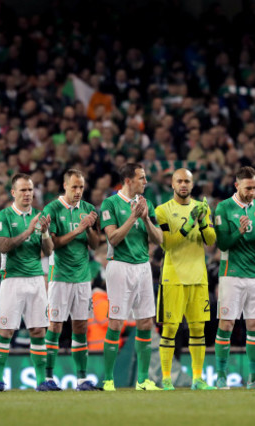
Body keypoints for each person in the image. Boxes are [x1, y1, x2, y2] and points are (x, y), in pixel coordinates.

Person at [100, 163, 163, 391]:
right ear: (128, 180)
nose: (145, 182)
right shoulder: (110, 203)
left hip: (143, 266)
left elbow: (159, 239)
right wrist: (133, 218)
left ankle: (143, 380)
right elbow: (113, 238)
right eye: (141, 178)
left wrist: (145, 218)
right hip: (120, 266)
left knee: (146, 322)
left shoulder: (147, 204)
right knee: (116, 323)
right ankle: (108, 379)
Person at [213, 166, 255, 390]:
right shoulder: (224, 208)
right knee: (227, 323)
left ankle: (254, 379)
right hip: (231, 274)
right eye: (248, 187)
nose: (252, 192)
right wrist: (238, 232)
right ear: (236, 185)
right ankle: (221, 376)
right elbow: (222, 244)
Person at [155, 168, 216, 391]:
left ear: (192, 184)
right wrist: (189, 224)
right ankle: (166, 378)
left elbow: (211, 239)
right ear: (172, 184)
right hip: (174, 277)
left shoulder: (202, 208)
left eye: (187, 181)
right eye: (179, 181)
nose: (183, 185)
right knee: (170, 329)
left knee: (198, 328)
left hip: (198, 276)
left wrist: (201, 220)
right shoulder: (162, 210)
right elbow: (167, 244)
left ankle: (197, 379)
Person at [0, 173, 53, 391]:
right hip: (12, 279)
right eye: (23, 190)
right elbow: (3, 246)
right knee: (6, 330)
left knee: (38, 331)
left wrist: (44, 233)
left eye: (30, 190)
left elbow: (48, 251)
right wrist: (28, 231)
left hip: (36, 278)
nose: (28, 194)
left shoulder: (39, 215)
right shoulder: (5, 216)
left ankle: (40, 381)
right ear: (13, 193)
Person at [42, 169, 101, 390]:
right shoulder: (53, 209)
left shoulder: (87, 209)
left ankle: (82, 379)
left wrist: (90, 229)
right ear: (65, 185)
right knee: (55, 326)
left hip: (83, 276)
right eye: (74, 187)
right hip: (60, 276)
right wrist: (79, 229)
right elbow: (53, 244)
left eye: (81, 187)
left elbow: (95, 245)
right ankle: (48, 377)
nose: (78, 191)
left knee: (81, 325)